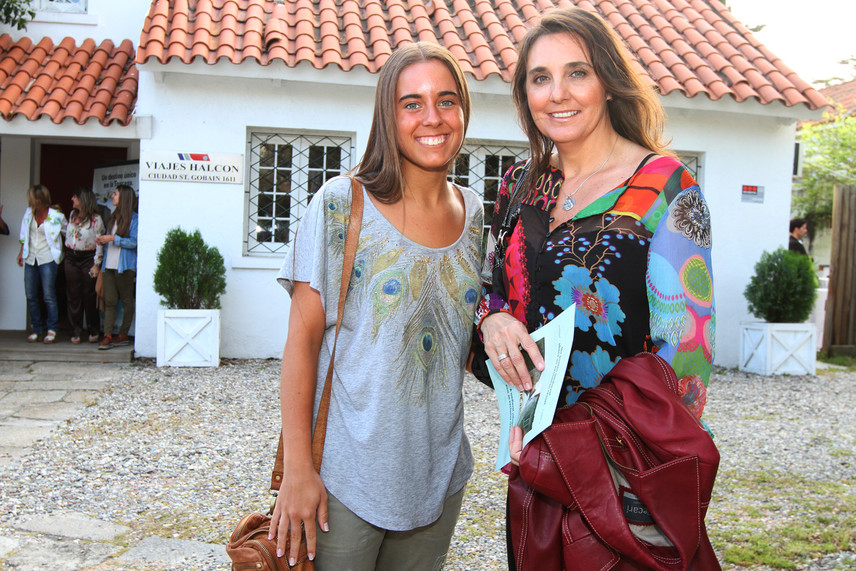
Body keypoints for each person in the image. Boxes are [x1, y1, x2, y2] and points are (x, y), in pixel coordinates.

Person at [473, 8, 715, 567]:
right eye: (540, 78)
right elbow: (490, 290)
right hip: (534, 459)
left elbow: (688, 358)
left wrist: (623, 468)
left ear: (607, 81)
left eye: (577, 73)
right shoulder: (519, 185)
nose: (557, 93)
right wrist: (493, 319)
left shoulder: (666, 187)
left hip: (624, 469)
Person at [270, 42, 483, 570]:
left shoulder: (477, 215)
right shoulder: (341, 204)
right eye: (412, 103)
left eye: (447, 100)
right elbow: (301, 341)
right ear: (388, 116)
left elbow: (466, 340)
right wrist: (298, 469)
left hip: (439, 477)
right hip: (345, 478)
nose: (432, 117)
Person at [17, 185, 68, 343]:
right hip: (30, 257)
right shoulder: (28, 212)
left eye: (31, 198)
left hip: (48, 258)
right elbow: (24, 234)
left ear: (39, 199)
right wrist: (21, 252)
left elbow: (69, 233)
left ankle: (52, 329)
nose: (29, 200)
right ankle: (37, 328)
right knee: (30, 294)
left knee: (48, 295)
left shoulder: (56, 216)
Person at [95, 184, 137, 350]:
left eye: (116, 194)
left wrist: (113, 238)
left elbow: (134, 242)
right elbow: (110, 240)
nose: (112, 196)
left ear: (124, 198)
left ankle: (123, 334)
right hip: (108, 265)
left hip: (125, 266)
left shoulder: (134, 219)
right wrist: (102, 240)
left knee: (127, 301)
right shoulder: (112, 217)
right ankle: (107, 335)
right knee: (110, 301)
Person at [64, 187, 105, 344]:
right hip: (71, 257)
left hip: (88, 258)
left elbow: (99, 243)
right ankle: (75, 331)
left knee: (89, 294)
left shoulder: (96, 219)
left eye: (75, 196)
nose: (72, 199)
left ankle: (93, 329)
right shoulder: (72, 215)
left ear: (83, 199)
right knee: (73, 294)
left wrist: (96, 264)